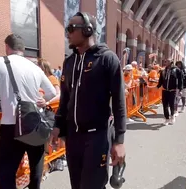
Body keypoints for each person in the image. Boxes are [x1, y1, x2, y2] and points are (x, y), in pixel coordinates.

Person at [51, 12, 126, 189]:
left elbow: (119, 103)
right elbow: (65, 100)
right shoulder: (69, 62)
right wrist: (57, 126)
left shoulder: (107, 59)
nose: (67, 33)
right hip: (73, 138)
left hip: (97, 137)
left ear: (87, 30)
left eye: (71, 28)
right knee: (76, 185)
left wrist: (119, 141)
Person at [0, 34, 56, 189]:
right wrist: (45, 102)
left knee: (6, 173)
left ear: (6, 46)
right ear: (23, 49)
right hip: (35, 123)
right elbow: (52, 92)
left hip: (11, 126)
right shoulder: (35, 67)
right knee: (36, 167)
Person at [157, 60, 182, 125]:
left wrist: (180, 89)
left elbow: (180, 80)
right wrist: (158, 86)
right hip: (165, 90)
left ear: (171, 63)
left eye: (167, 62)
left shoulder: (177, 70)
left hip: (172, 90)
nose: (165, 63)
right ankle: (167, 118)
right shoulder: (163, 71)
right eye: (165, 62)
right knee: (164, 104)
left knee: (171, 104)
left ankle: (172, 116)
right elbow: (161, 80)